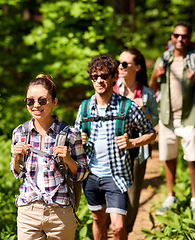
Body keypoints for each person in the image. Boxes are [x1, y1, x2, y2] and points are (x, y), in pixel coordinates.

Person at [75, 54, 156, 240]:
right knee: (97, 219)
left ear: (113, 77)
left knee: (118, 227)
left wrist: (132, 143)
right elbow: (75, 137)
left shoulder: (127, 107)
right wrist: (79, 138)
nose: (99, 80)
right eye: (95, 77)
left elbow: (151, 133)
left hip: (116, 175)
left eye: (104, 76)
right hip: (92, 175)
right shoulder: (85, 108)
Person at [10, 74, 89, 239]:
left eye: (42, 100)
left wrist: (68, 159)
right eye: (30, 101)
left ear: (54, 102)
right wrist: (17, 158)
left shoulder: (70, 134)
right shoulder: (19, 133)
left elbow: (82, 173)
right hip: (28, 211)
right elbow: (17, 172)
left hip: (60, 212)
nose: (36, 105)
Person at [149, 21, 195, 213]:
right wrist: (154, 75)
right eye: (176, 35)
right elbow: (151, 89)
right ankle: (171, 196)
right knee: (169, 158)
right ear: (172, 38)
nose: (180, 39)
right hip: (167, 119)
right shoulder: (163, 61)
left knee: (192, 158)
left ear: (189, 39)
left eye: (184, 36)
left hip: (188, 118)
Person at [114, 48, 159, 232]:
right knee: (113, 193)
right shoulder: (113, 89)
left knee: (132, 197)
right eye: (119, 63)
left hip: (138, 149)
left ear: (138, 67)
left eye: (125, 64)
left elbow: (155, 120)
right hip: (113, 148)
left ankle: (125, 230)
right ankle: (113, 228)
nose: (120, 67)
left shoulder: (147, 93)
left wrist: (144, 111)